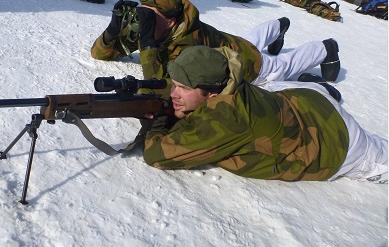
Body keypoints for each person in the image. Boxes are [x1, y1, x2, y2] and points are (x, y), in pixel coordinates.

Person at [143, 45, 387, 183]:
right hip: (301, 98)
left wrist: (161, 120)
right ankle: (323, 88)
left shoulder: (227, 119)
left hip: (337, 140)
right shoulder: (227, 75)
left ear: (211, 94)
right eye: (174, 84)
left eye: (183, 88)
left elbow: (157, 155)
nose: (174, 92)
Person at [91, 0, 341, 96]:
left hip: (242, 61)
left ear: (170, 22)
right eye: (143, 14)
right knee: (249, 40)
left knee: (277, 68)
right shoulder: (155, 28)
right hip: (229, 41)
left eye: (149, 18)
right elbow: (99, 53)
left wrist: (147, 45)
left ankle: (324, 48)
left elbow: (159, 88)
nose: (142, 23)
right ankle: (278, 26)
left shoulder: (188, 47)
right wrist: (113, 30)